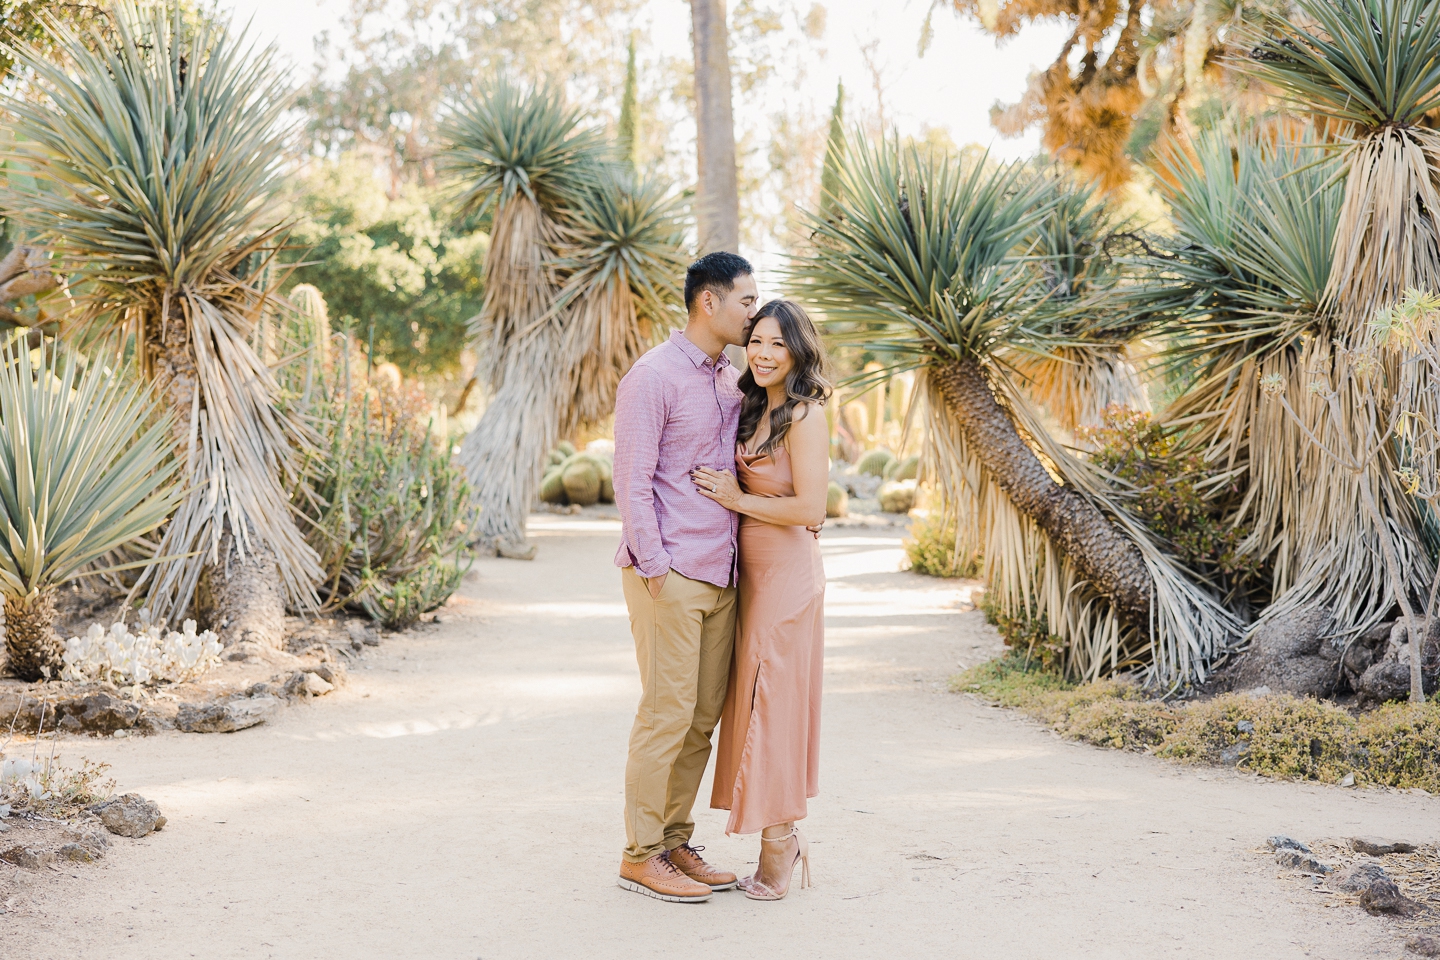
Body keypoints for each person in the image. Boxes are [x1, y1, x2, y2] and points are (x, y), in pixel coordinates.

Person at [610, 251, 758, 903]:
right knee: (665, 715)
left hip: (721, 574)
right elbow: (632, 479)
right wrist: (654, 565)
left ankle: (673, 841)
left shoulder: (732, 379)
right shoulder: (653, 376)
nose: (755, 313)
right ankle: (639, 854)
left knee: (699, 719)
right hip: (669, 573)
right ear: (710, 303)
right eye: (747, 302)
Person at [693, 299, 831, 902]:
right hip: (749, 573)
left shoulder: (804, 415)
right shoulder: (749, 408)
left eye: (778, 343)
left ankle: (780, 845)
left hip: (789, 576)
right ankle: (778, 837)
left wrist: (736, 499)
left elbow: (810, 510)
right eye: (756, 342)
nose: (764, 354)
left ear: (798, 350)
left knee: (772, 702)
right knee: (748, 702)